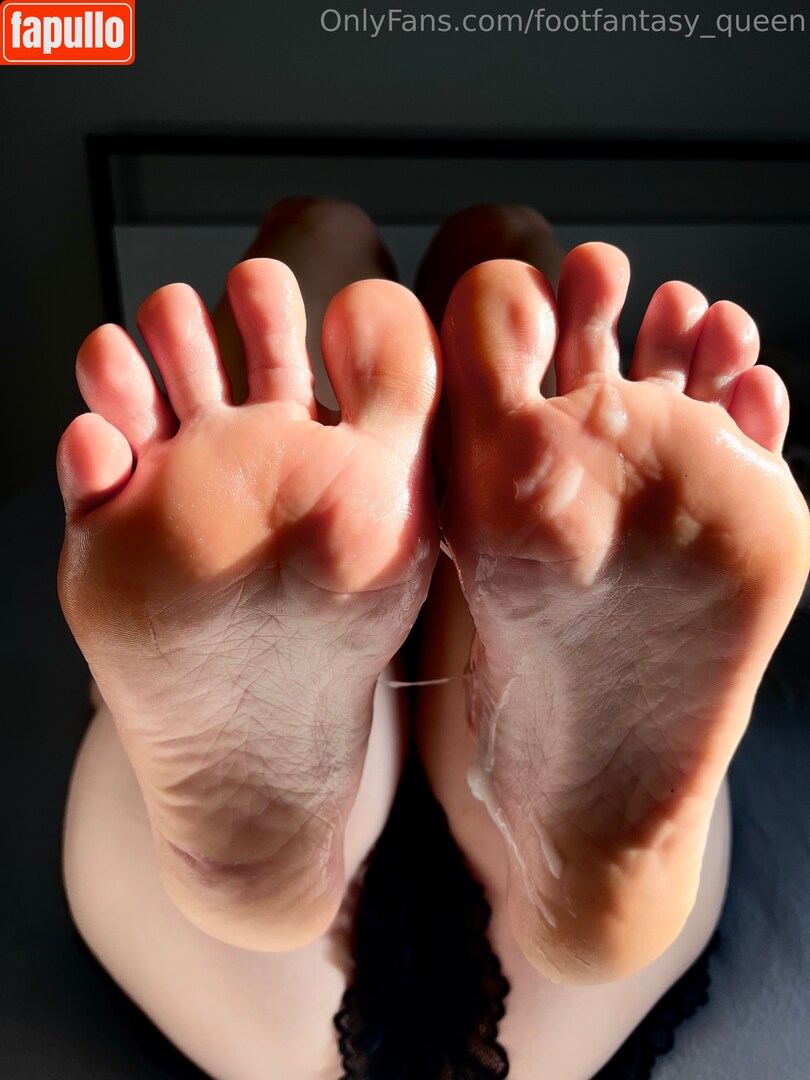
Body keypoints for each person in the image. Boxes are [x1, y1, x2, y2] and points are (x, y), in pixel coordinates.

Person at [57, 199, 810, 1080]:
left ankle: (288, 406)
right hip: (537, 1013)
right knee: (503, 263)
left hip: (255, 999)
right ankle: (594, 873)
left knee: (323, 241)